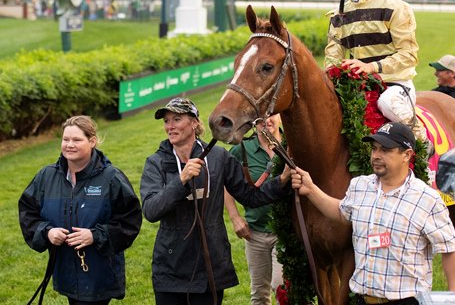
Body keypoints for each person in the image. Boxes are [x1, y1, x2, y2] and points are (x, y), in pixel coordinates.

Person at [139, 98, 291, 305]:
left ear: (194, 123)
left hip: (210, 265)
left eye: (176, 119)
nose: (170, 126)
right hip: (171, 268)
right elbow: (151, 210)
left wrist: (281, 182)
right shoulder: (155, 162)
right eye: (166, 121)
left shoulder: (218, 157)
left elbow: (250, 196)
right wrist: (181, 180)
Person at [290, 121, 455, 304]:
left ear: (407, 154)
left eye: (385, 150)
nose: (376, 155)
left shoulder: (427, 199)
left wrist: (453, 298)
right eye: (374, 149)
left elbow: (449, 250)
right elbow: (342, 213)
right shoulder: (360, 186)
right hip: (362, 299)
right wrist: (310, 190)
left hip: (406, 300)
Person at [19, 115, 142, 305]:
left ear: (92, 141)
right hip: (66, 270)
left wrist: (95, 236)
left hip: (99, 273)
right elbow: (28, 212)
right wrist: (47, 232)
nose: (69, 144)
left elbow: (130, 221)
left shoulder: (112, 178)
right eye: (65, 139)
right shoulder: (47, 176)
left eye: (77, 140)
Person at [324, 0, 429, 149]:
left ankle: (422, 142)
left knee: (387, 103)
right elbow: (332, 56)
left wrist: (371, 67)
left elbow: (409, 55)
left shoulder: (396, 8)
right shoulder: (337, 15)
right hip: (357, 86)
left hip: (394, 85)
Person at [224, 114, 283, 305]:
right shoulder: (242, 149)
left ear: (281, 116)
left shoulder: (292, 144)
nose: (266, 120)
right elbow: (227, 183)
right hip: (255, 233)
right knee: (259, 294)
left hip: (286, 232)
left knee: (281, 286)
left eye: (271, 114)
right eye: (260, 116)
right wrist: (235, 217)